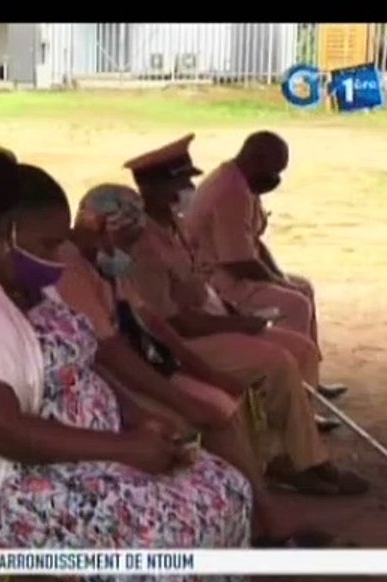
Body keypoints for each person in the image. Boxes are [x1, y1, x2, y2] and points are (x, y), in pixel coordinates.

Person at [0, 147, 252, 582]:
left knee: (226, 488)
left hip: (90, 457)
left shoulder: (24, 290)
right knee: (164, 531)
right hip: (20, 484)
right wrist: (123, 448)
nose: (60, 259)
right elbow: (1, 432)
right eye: (49, 244)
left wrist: (137, 418)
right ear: (9, 234)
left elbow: (81, 363)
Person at [71, 183, 367, 499]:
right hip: (146, 364)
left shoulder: (116, 259)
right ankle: (269, 487)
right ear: (102, 227)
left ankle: (289, 467)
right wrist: (186, 385)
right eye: (122, 242)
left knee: (275, 364)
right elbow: (136, 342)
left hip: (168, 352)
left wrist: (210, 360)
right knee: (239, 391)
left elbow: (155, 324)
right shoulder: (85, 266)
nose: (126, 250)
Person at [122, 134, 340, 433]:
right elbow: (233, 265)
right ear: (155, 190)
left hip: (213, 301)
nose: (189, 190)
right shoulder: (226, 194)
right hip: (214, 298)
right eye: (181, 183)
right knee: (293, 311)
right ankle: (292, 408)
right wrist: (239, 322)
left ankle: (303, 397)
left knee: (299, 308)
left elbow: (252, 244)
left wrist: (272, 283)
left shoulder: (177, 222)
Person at [185, 131, 345, 400]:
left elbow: (253, 244)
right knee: (295, 304)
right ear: (256, 160)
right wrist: (275, 281)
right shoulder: (230, 192)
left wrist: (279, 276)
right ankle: (294, 395)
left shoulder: (241, 180)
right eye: (274, 170)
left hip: (232, 271)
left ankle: (310, 377)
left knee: (302, 287)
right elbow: (238, 261)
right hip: (217, 282)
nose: (276, 179)